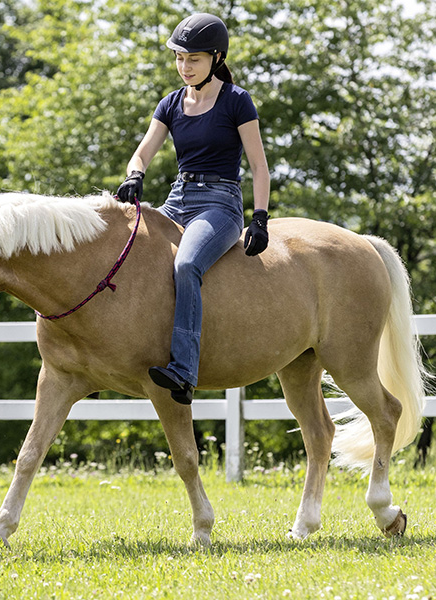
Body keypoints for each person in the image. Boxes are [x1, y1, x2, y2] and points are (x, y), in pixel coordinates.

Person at [116, 13, 271, 405]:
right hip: (178, 199)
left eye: (194, 59)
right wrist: (136, 174)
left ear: (216, 58)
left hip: (220, 205)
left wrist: (260, 217)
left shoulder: (237, 101)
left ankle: (184, 371)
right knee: (125, 248)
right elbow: (143, 151)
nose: (184, 67)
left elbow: (258, 166)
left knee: (186, 265)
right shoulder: (170, 103)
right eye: (179, 59)